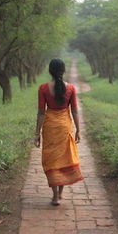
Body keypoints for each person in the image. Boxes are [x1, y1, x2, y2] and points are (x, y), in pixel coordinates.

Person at [34, 58, 84, 206]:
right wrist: (78, 130)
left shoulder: (43, 88)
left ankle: (55, 195)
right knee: (64, 159)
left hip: (49, 128)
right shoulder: (71, 88)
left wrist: (37, 133)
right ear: (63, 71)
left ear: (50, 71)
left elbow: (41, 113)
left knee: (52, 160)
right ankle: (60, 194)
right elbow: (74, 110)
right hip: (65, 127)